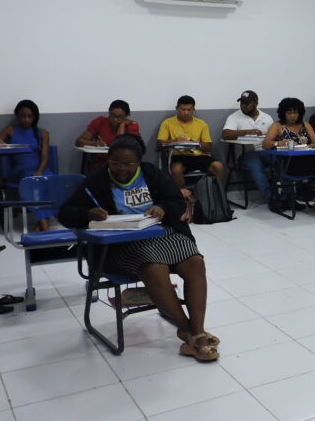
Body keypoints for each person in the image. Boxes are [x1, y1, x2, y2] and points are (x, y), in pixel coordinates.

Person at [58, 135, 219, 361]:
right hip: (121, 243)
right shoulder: (98, 180)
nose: (121, 169)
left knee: (195, 262)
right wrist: (87, 214)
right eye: (115, 163)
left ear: (139, 162)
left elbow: (176, 201)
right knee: (154, 267)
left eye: (128, 164)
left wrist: (162, 208)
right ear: (108, 160)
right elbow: (65, 213)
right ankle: (190, 332)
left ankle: (197, 330)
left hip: (160, 233)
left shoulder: (150, 173)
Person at [0, 100, 52, 231]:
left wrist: (40, 171)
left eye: (30, 116)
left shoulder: (43, 133)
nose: (26, 119)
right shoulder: (10, 130)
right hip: (20, 170)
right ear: (17, 116)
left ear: (35, 117)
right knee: (33, 182)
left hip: (40, 168)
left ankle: (39, 226)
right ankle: (45, 227)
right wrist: (0, 144)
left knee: (50, 179)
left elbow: (45, 156)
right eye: (23, 116)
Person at [156, 95, 225, 193]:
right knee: (176, 169)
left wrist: (195, 143)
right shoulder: (167, 123)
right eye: (183, 109)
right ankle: (182, 197)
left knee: (218, 166)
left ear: (193, 109)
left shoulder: (201, 124)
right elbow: (159, 144)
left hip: (198, 156)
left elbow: (209, 146)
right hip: (178, 156)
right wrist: (174, 141)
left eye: (189, 110)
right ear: (177, 108)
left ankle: (217, 196)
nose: (186, 112)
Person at [221, 90, 274, 204]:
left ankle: (286, 196)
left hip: (264, 151)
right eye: (242, 103)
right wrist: (247, 132)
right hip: (245, 155)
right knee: (256, 165)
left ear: (256, 103)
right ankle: (271, 199)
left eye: (247, 103)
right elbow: (225, 134)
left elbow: (274, 135)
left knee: (281, 160)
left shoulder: (266, 117)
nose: (243, 105)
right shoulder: (234, 117)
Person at [75, 100, 141, 171]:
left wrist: (122, 125)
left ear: (126, 116)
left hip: (123, 165)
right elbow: (79, 141)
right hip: (102, 164)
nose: (115, 119)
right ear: (108, 112)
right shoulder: (100, 122)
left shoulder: (132, 125)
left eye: (119, 117)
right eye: (112, 115)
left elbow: (119, 145)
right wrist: (95, 144)